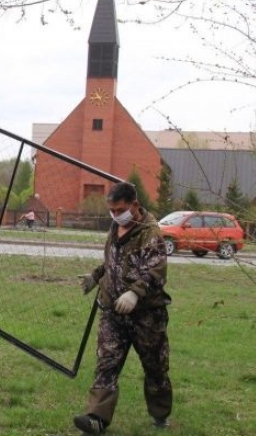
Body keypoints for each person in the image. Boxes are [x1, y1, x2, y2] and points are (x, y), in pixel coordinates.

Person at [74, 182, 172, 435]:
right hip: (113, 311)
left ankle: (160, 414)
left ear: (134, 206)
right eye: (112, 210)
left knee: (155, 367)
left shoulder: (150, 234)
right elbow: (113, 261)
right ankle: (96, 418)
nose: (115, 215)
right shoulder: (115, 227)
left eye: (120, 210)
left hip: (146, 315)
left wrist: (135, 293)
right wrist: (96, 276)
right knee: (106, 363)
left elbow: (156, 271)